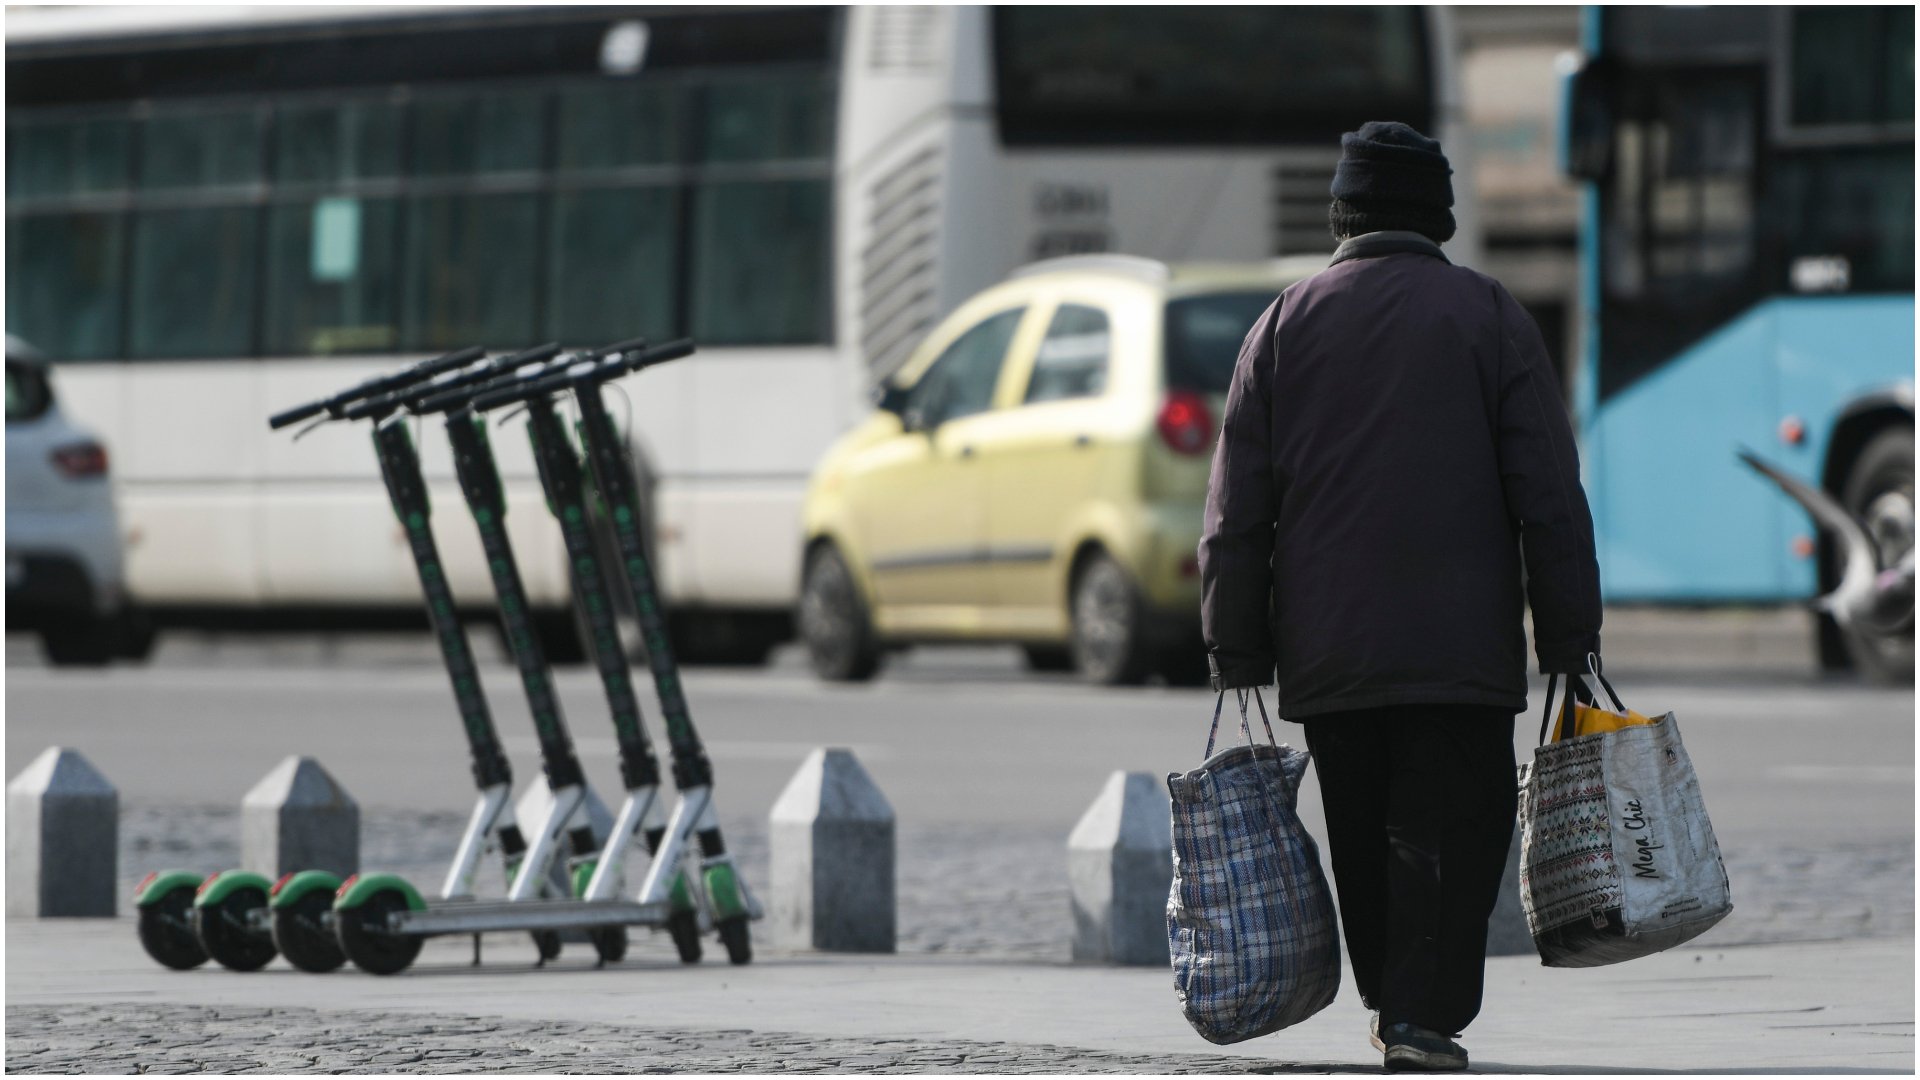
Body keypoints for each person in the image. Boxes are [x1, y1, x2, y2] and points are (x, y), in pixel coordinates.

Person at [1197, 121, 1603, 1072]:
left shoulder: (1282, 326)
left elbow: (1235, 509)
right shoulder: (1490, 316)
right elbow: (1548, 492)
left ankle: (1395, 1010)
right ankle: (1421, 1017)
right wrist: (1570, 630)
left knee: (1364, 832)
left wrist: (1234, 643)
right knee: (1451, 837)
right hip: (1462, 650)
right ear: (1439, 215)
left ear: (1343, 214)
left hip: (1332, 651)